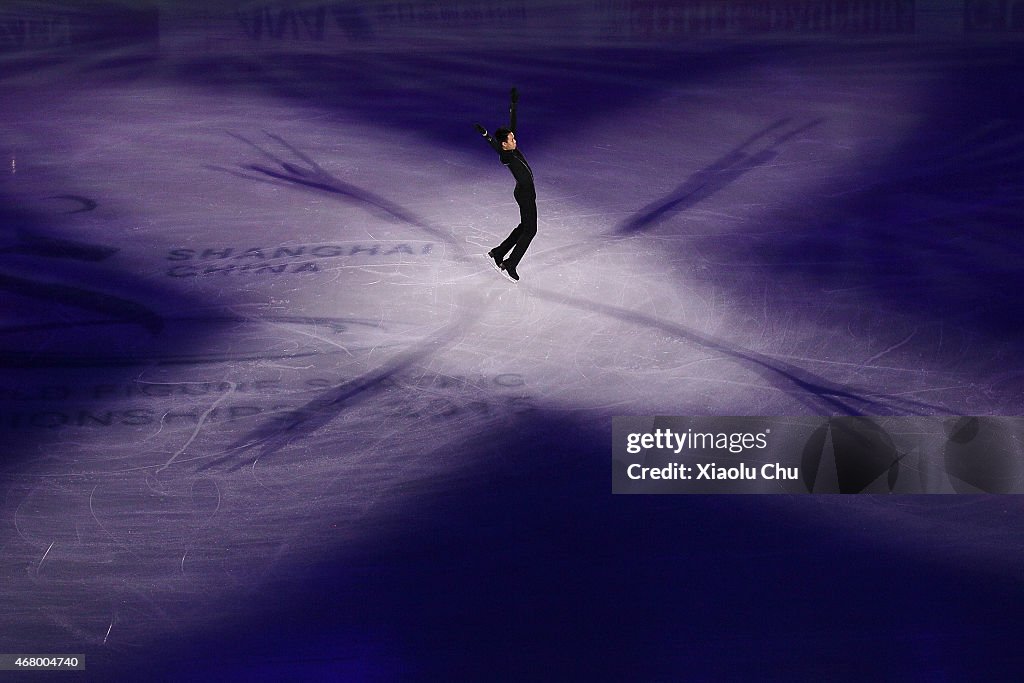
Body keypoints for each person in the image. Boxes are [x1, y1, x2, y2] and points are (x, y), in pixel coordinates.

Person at [475, 87, 536, 282]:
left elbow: (513, 125)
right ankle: (510, 264)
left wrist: (514, 104)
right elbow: (496, 146)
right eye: (511, 139)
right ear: (505, 145)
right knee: (530, 230)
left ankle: (497, 253)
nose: (515, 140)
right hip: (525, 194)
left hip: (525, 192)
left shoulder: (510, 148)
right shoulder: (506, 155)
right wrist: (486, 136)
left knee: (523, 228)